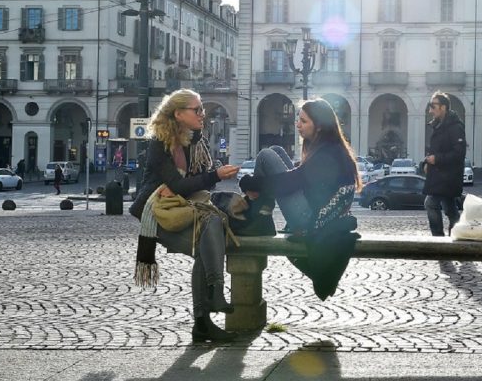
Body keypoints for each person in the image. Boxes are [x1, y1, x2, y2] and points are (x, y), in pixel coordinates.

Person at [129, 89, 244, 343]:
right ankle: (208, 311)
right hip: (157, 211)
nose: (203, 114)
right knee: (205, 241)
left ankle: (208, 310)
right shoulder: (160, 143)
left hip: (184, 205)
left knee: (212, 222)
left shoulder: (197, 140)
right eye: (197, 110)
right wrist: (213, 176)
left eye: (202, 108)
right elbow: (184, 184)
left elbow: (200, 186)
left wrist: (205, 179)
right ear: (179, 114)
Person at [239, 98, 361, 299]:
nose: (297, 125)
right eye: (299, 120)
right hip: (318, 212)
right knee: (276, 151)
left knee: (266, 156)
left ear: (319, 126)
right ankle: (261, 214)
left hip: (312, 220)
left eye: (303, 121)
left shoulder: (326, 154)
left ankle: (260, 217)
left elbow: (288, 183)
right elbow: (297, 178)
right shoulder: (329, 148)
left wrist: (251, 184)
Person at [421, 92, 466, 236]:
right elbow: (435, 151)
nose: (430, 110)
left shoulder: (455, 127)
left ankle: (438, 238)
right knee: (450, 209)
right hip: (440, 175)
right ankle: (457, 236)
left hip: (448, 176)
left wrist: (437, 159)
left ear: (443, 107)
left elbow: (459, 154)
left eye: (433, 106)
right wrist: (426, 163)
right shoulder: (438, 125)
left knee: (431, 203)